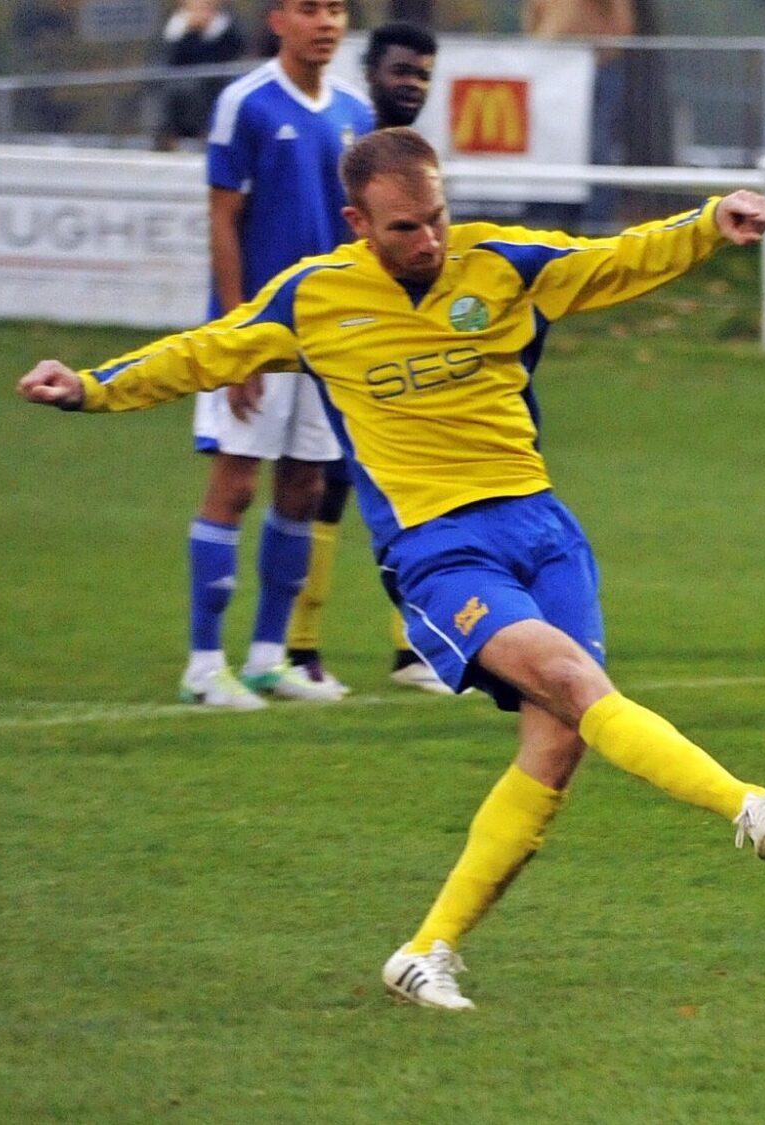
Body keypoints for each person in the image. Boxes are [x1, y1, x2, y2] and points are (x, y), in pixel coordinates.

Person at [17, 127, 765, 1011]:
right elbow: (208, 349)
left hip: (542, 526)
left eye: (436, 218)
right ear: (359, 222)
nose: (428, 241)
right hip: (437, 549)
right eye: (404, 229)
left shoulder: (500, 263)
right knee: (572, 686)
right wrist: (90, 385)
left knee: (555, 745)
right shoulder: (315, 297)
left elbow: (614, 258)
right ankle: (747, 803)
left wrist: (709, 222)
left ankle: (426, 951)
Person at [182, 0, 372, 710]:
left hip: (325, 343)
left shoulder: (356, 112)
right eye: (309, 8)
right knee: (234, 485)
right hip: (256, 335)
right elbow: (223, 218)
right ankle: (204, 665)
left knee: (305, 487)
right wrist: (237, 338)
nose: (325, 21)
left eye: (335, 9)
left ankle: (267, 657)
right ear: (277, 19)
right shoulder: (247, 104)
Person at [283, 20, 447, 694]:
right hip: (332, 330)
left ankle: (412, 648)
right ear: (372, 70)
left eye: (423, 75)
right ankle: (295, 646)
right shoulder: (341, 134)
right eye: (401, 71)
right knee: (320, 484)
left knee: (405, 488)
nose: (411, 85)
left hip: (399, 345)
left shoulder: (412, 157)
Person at [525, 0, 636, 228]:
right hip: (550, 72)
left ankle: (595, 225)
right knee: (549, 145)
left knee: (596, 147)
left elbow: (623, 24)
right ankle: (547, 221)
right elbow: (534, 19)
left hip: (596, 69)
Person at [156, 0, 246, 152]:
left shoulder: (227, 28)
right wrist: (189, 32)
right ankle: (169, 139)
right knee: (171, 91)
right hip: (179, 87)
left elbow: (220, 57)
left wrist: (204, 32)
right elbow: (171, 61)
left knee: (196, 89)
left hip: (214, 85)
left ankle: (204, 138)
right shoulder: (173, 28)